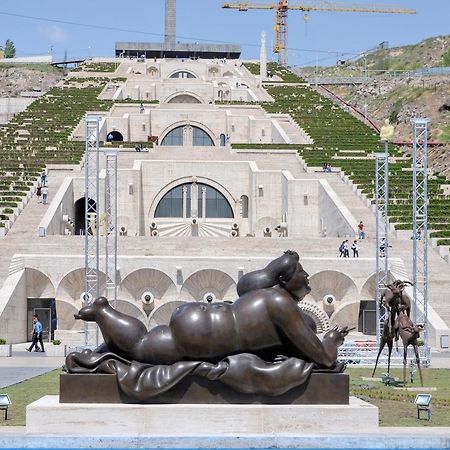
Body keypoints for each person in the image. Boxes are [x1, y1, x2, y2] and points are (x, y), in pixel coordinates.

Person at [74, 251, 349, 370]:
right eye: (302, 272)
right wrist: (333, 340)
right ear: (284, 280)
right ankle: (102, 312)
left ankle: (104, 335)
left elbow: (246, 284)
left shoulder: (264, 293)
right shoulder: (282, 305)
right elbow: (323, 358)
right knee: (141, 346)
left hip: (200, 318)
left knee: (148, 339)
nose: (308, 276)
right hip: (205, 334)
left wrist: (282, 262)